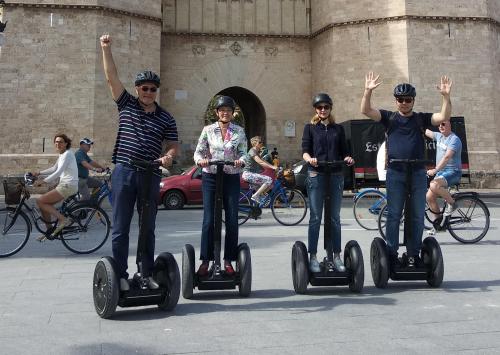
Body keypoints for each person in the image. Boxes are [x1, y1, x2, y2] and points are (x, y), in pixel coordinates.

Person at [100, 34, 179, 291]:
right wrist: (106, 49)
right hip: (124, 170)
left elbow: (173, 144)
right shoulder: (126, 105)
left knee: (148, 227)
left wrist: (169, 155)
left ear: (157, 91)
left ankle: (145, 274)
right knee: (121, 227)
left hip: (151, 173)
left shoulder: (166, 117)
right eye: (144, 88)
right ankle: (120, 275)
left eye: (152, 89)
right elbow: (112, 78)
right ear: (137, 90)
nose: (148, 92)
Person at [361, 72, 452, 267]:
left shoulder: (420, 119)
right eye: (400, 100)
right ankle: (392, 253)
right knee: (394, 214)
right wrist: (367, 91)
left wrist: (445, 96)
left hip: (418, 172)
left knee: (417, 214)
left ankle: (413, 253)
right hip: (396, 172)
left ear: (413, 101)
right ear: (396, 101)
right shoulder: (389, 118)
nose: (404, 103)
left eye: (408, 99)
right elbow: (366, 110)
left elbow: (443, 116)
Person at [193, 95, 247, 276]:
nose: (225, 113)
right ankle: (206, 261)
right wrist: (201, 161)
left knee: (232, 219)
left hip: (231, 176)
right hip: (211, 176)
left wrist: (240, 161)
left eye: (228, 110)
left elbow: (244, 153)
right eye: (222, 110)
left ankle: (228, 260)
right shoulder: (208, 130)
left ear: (232, 113)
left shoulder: (239, 131)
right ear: (217, 112)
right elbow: (199, 151)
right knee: (209, 219)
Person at [302, 93, 354, 273]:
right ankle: (313, 256)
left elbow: (345, 151)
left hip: (335, 174)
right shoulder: (310, 128)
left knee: (334, 218)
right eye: (319, 107)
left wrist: (348, 158)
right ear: (316, 109)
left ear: (330, 108)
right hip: (316, 173)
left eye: (326, 107)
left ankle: (336, 255)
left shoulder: (338, 129)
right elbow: (305, 150)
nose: (323, 110)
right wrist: (310, 160)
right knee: (316, 217)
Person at [33, 134, 79, 241]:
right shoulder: (62, 155)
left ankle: (64, 220)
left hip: (68, 185)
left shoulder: (68, 154)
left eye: (61, 142)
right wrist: (38, 173)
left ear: (66, 143)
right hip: (65, 185)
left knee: (40, 201)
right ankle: (50, 231)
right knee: (43, 205)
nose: (58, 144)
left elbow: (58, 172)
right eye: (56, 142)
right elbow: (54, 168)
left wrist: (43, 181)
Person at [425, 119, 462, 223]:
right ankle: (438, 224)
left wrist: (435, 170)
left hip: (453, 172)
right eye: (439, 125)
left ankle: (452, 204)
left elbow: (447, 157)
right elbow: (427, 132)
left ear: (449, 125)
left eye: (443, 124)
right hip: (442, 173)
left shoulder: (454, 139)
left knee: (434, 185)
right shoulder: (439, 136)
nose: (440, 126)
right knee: (429, 197)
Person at [242, 136, 278, 203]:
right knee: (268, 180)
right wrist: (272, 167)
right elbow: (260, 162)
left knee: (271, 185)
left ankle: (259, 197)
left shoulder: (257, 152)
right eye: (260, 142)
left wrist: (272, 166)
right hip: (248, 174)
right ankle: (255, 196)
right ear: (255, 143)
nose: (261, 143)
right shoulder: (252, 151)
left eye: (262, 142)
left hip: (252, 174)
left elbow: (263, 161)